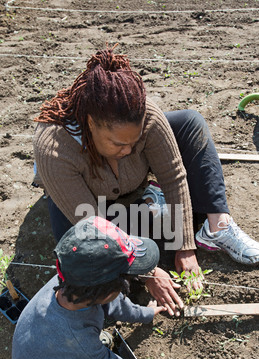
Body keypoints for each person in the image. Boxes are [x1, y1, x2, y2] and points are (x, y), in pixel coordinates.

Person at [33, 45, 259, 316]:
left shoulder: (147, 116)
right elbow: (92, 224)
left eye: (134, 141)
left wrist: (184, 245)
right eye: (119, 144)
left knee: (191, 123)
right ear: (91, 124)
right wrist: (149, 271)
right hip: (82, 207)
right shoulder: (55, 148)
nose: (128, 151)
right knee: (86, 263)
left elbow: (174, 177)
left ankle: (216, 226)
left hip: (124, 199)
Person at [12, 216, 183, 359]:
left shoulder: (75, 284)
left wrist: (146, 314)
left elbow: (115, 302)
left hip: (52, 353)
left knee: (92, 356)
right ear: (106, 291)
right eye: (125, 279)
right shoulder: (75, 336)